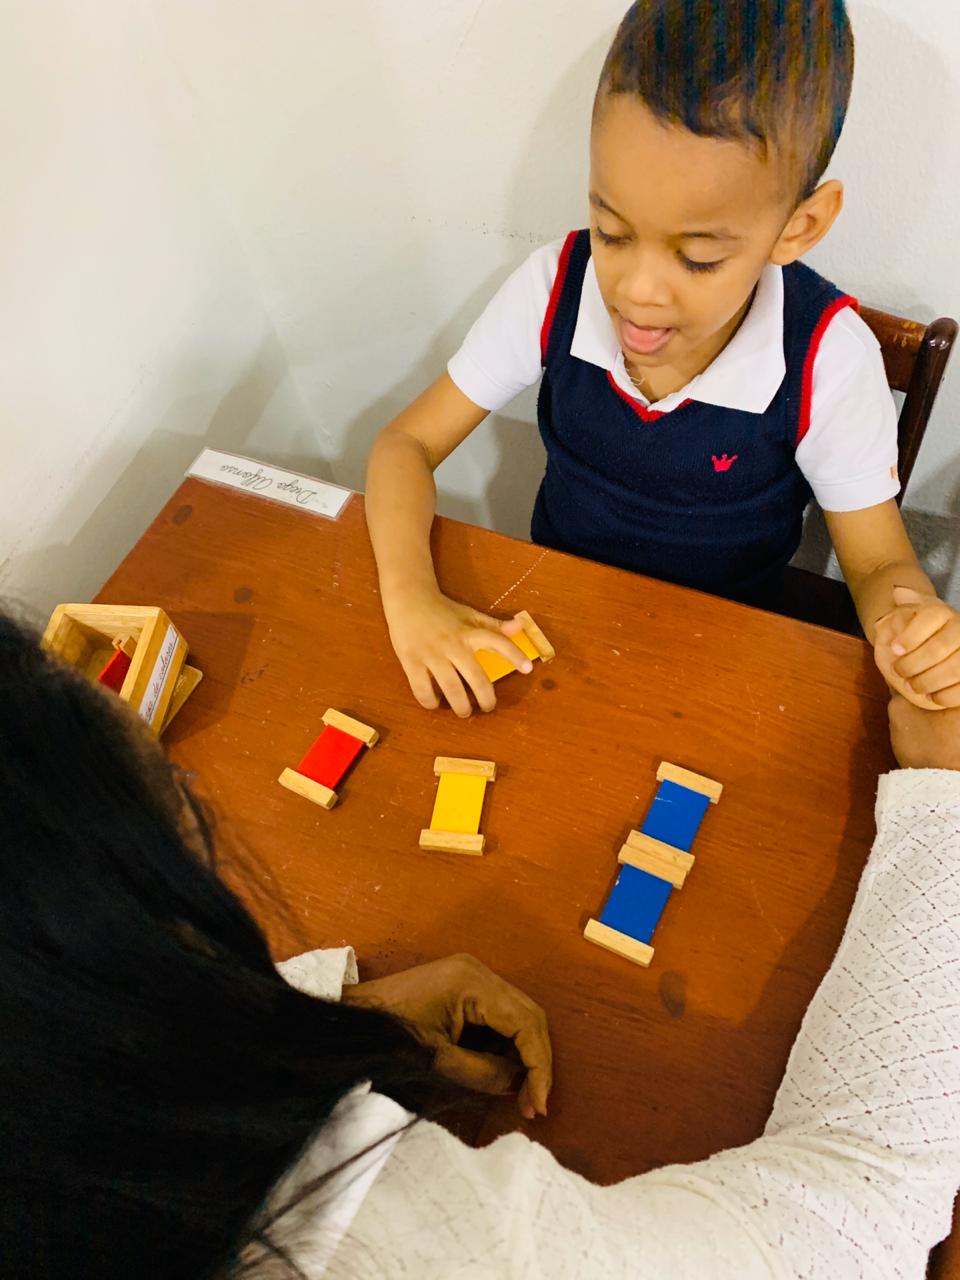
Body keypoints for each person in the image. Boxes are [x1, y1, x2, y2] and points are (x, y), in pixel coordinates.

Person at [4, 611, 960, 1279]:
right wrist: (944, 798)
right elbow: (863, 1195)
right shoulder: (412, 1244)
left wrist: (332, 1019)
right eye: (185, 825)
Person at [365, 0, 960, 719]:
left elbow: (878, 563)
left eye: (698, 258)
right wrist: (412, 602)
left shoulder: (827, 357)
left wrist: (907, 623)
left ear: (799, 227)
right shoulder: (556, 286)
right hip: (553, 621)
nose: (637, 293)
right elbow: (406, 443)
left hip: (724, 651)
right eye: (612, 232)